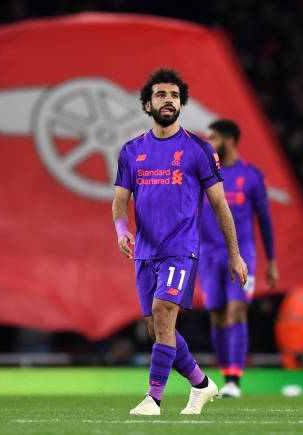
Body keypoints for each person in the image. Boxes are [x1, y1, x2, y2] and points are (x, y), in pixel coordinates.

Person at [112, 68, 248, 415]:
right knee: (159, 330)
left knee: (162, 313)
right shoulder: (131, 151)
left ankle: (153, 399)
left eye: (174, 95)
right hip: (145, 252)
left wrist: (236, 255)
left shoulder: (198, 150)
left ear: (181, 104)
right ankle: (202, 385)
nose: (168, 100)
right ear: (147, 105)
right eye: (161, 95)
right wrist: (121, 231)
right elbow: (119, 201)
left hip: (181, 249)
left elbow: (220, 204)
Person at [199, 119, 278, 398]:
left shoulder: (251, 176)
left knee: (237, 310)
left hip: (243, 255)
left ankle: (234, 380)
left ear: (230, 140)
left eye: (214, 138)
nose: (209, 143)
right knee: (218, 317)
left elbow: (265, 221)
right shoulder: (204, 175)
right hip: (208, 255)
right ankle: (226, 376)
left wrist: (271, 261)